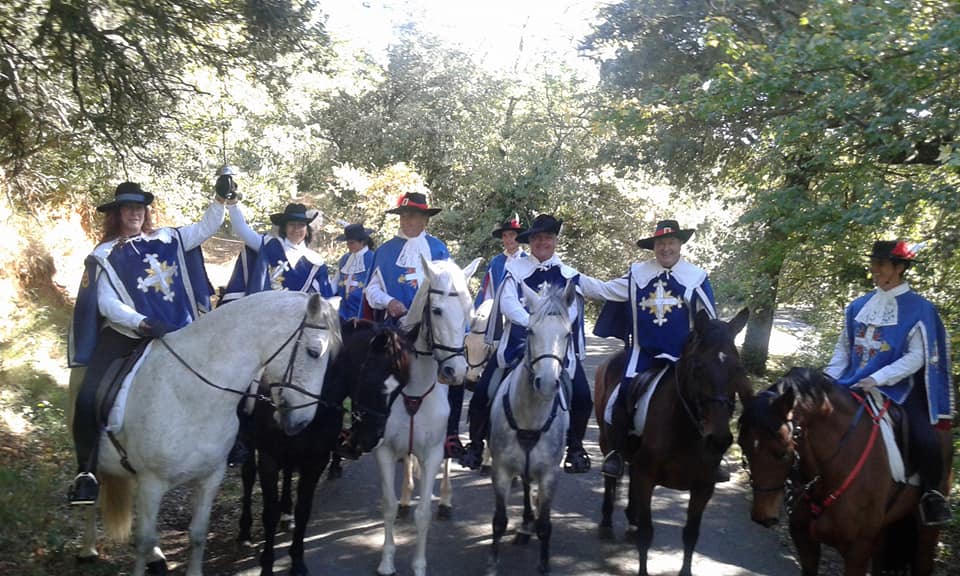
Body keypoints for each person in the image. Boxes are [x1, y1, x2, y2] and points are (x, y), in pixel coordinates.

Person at [67, 180, 229, 504]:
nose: (135, 215)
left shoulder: (167, 238)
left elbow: (207, 226)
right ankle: (87, 472)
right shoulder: (104, 255)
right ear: (116, 214)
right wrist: (140, 322)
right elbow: (107, 304)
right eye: (128, 209)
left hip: (174, 330)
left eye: (139, 209)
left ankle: (229, 442)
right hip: (126, 335)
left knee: (222, 376)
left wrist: (221, 198)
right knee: (89, 396)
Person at [824, 239, 953, 526]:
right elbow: (843, 350)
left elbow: (918, 357)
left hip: (900, 390)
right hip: (852, 384)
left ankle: (932, 497)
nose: (874, 270)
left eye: (880, 265)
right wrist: (829, 380)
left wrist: (878, 378)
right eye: (873, 264)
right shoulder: (858, 305)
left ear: (899, 268)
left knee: (926, 439)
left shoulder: (920, 309)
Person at [582, 219, 717, 479]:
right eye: (661, 244)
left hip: (683, 356)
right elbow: (604, 290)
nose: (666, 248)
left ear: (680, 245)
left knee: (710, 397)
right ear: (654, 247)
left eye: (671, 243)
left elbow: (709, 322)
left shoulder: (696, 278)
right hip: (643, 352)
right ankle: (617, 452)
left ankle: (710, 456)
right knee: (620, 395)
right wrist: (573, 277)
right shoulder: (638, 275)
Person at [460, 214, 593, 473]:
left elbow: (573, 308)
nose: (543, 242)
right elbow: (508, 302)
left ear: (555, 241)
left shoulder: (568, 274)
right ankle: (475, 445)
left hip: (555, 348)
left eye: (548, 238)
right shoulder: (515, 269)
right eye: (537, 238)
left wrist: (552, 327)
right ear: (530, 242)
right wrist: (533, 322)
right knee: (483, 391)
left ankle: (575, 448)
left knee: (582, 396)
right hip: (516, 344)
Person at [363, 190, 466, 458]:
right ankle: (370, 428)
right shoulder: (385, 251)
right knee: (372, 371)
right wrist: (388, 302)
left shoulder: (438, 248)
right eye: (405, 216)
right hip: (397, 324)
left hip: (435, 327)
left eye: (415, 216)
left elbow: (453, 285)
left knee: (453, 373)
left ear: (425, 220)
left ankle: (451, 433)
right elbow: (371, 291)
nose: (409, 221)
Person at [225, 201, 335, 298]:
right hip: (263, 311)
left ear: (307, 230)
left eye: (301, 225)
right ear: (284, 227)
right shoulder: (269, 244)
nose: (296, 229)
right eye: (292, 224)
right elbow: (242, 230)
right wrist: (232, 204)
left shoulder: (315, 261)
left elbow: (323, 297)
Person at [473, 214, 527, 308]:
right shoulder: (496, 263)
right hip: (498, 313)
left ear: (519, 237)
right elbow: (487, 292)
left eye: (511, 235)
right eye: (505, 236)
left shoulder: (528, 261)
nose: (508, 239)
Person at [332, 223, 376, 322]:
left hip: (362, 309)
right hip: (342, 309)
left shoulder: (373, 258)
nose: (348, 246)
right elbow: (336, 280)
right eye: (347, 243)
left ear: (363, 242)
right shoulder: (345, 259)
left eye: (351, 243)